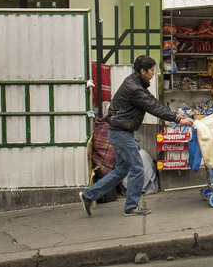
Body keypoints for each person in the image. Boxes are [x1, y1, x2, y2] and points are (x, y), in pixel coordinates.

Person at [80, 55, 194, 216]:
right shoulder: (134, 88)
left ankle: (89, 195)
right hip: (120, 132)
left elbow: (153, 102)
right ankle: (131, 207)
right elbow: (152, 106)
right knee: (137, 168)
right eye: (152, 70)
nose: (154, 73)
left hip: (120, 130)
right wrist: (176, 118)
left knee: (121, 169)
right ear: (143, 71)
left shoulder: (135, 82)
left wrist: (175, 115)